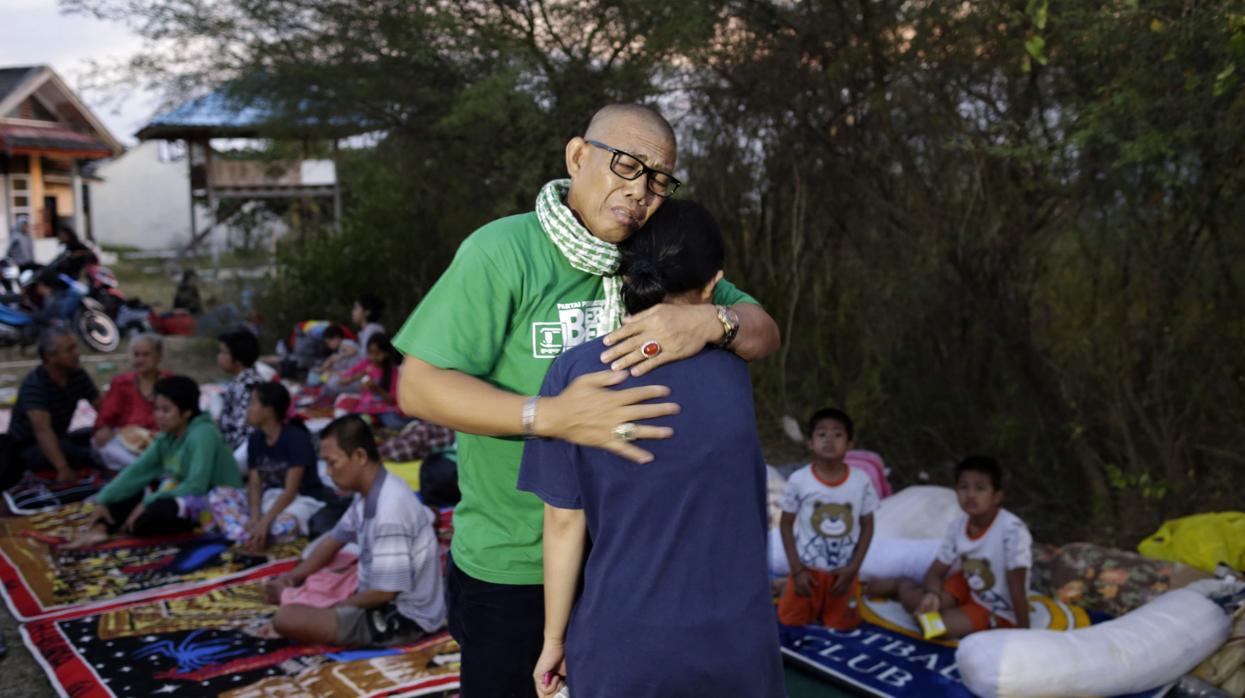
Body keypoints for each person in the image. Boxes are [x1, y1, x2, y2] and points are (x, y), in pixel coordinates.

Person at [392, 103, 780, 696]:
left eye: (658, 180)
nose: (640, 192)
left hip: (627, 569)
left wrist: (714, 322)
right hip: (518, 561)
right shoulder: (502, 252)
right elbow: (418, 386)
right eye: (626, 166)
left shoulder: (650, 248)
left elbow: (763, 330)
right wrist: (550, 416)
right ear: (578, 156)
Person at [521, 200, 783, 697]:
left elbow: (563, 522)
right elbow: (762, 331)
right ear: (713, 285)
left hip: (624, 645)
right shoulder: (734, 371)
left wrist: (554, 639)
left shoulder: (575, 371)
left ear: (623, 274)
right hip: (738, 643)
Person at [267, 415, 446, 646]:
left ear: (359, 456)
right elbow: (333, 541)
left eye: (332, 463)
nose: (329, 472)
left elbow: (384, 593)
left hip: (402, 616)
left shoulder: (390, 508)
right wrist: (291, 578)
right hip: (377, 593)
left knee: (286, 617)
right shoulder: (368, 494)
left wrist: (330, 610)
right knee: (316, 561)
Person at [69, 376, 243, 546]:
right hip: (182, 492)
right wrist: (104, 499)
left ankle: (129, 524)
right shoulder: (167, 437)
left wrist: (149, 501)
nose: (158, 416)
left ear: (186, 412)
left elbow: (196, 486)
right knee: (125, 493)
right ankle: (100, 529)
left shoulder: (203, 434)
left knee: (150, 516)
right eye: (157, 409)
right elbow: (137, 471)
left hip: (212, 500)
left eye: (166, 410)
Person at [871, 456, 1032, 638]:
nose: (970, 495)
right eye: (964, 487)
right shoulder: (957, 526)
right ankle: (901, 585)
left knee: (933, 628)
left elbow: (1017, 587)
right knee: (918, 605)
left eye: (980, 488)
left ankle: (906, 589)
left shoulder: (1012, 531)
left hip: (998, 606)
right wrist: (931, 595)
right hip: (968, 582)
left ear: (996, 496)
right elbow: (935, 572)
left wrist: (1025, 634)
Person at [777, 408, 878, 629]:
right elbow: (785, 524)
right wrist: (797, 570)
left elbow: (868, 526)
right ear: (811, 443)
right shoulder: (799, 480)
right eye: (821, 434)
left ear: (850, 444)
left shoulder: (861, 481)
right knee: (789, 622)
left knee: (845, 627)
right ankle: (787, 586)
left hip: (843, 574)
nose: (829, 440)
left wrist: (853, 569)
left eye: (837, 435)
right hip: (807, 572)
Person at [208, 383, 325, 550]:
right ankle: (251, 534)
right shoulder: (256, 439)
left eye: (252, 403)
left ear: (269, 410)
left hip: (299, 500)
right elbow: (255, 483)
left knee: (283, 527)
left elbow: (291, 490)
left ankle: (246, 536)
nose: (247, 409)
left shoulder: (296, 439)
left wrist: (265, 521)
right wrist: (256, 517)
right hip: (270, 497)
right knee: (218, 494)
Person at [1, 328, 100, 489]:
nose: (77, 353)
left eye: (75, 347)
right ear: (50, 357)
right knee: (84, 454)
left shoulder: (77, 375)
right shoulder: (35, 384)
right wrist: (62, 467)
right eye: (69, 350)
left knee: (93, 436)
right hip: (27, 447)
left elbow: (101, 408)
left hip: (60, 437)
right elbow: (42, 431)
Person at [93, 334, 171, 471]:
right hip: (127, 443)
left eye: (146, 355)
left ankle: (141, 471)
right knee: (101, 444)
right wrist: (103, 428)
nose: (140, 360)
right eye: (136, 355)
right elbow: (106, 416)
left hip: (161, 441)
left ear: (159, 356)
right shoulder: (122, 383)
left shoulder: (171, 382)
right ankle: (144, 470)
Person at [335, 333, 408, 429]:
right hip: (365, 408)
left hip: (384, 409)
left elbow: (391, 400)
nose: (373, 357)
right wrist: (357, 377)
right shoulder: (365, 364)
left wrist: (376, 388)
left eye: (377, 353)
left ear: (386, 353)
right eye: (370, 353)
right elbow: (341, 381)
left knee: (394, 424)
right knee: (350, 424)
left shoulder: (393, 371)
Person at [216, 328, 266, 450]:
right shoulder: (238, 382)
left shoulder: (248, 386)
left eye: (223, 352)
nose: (218, 356)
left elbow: (244, 432)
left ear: (237, 359)